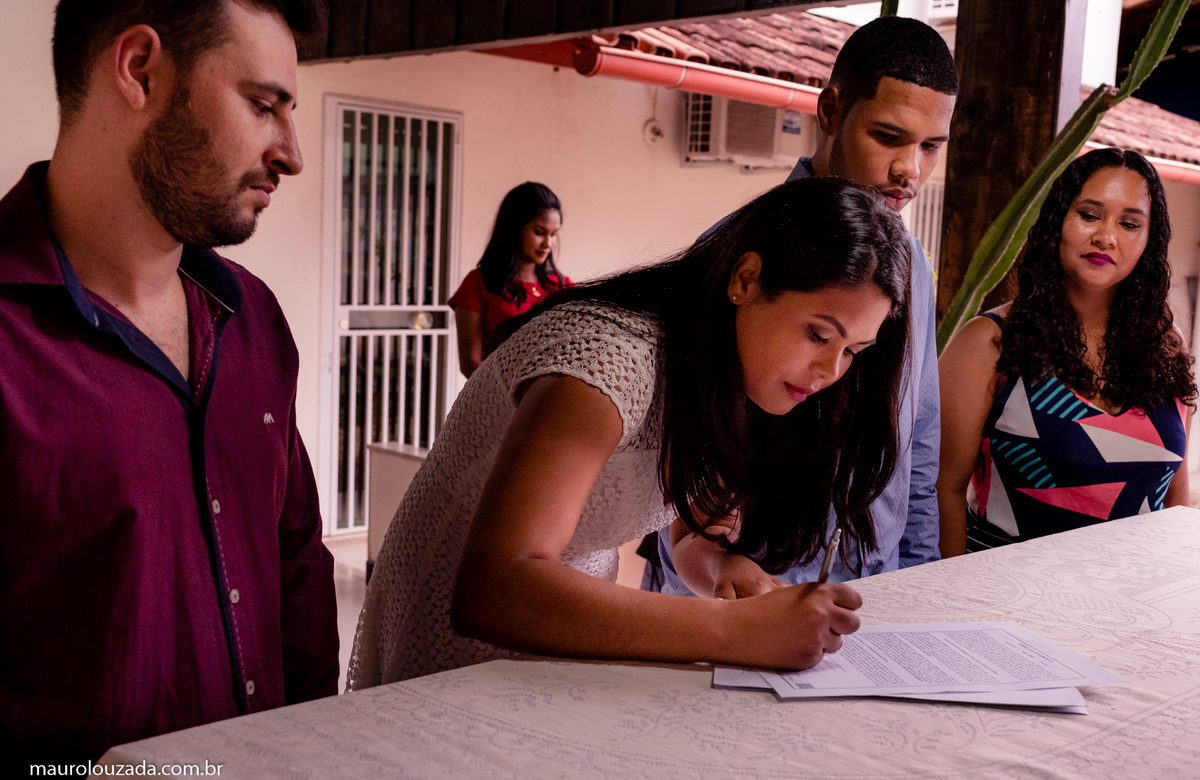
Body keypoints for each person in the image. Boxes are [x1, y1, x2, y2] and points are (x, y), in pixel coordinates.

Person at [349, 177, 912, 687]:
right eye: (818, 334)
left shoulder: (733, 371)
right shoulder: (605, 360)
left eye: (853, 352)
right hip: (455, 633)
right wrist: (731, 630)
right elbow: (493, 587)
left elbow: (693, 528)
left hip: (572, 623)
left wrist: (725, 570)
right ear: (746, 279)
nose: (830, 373)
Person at [0, 0, 336, 780]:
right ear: (140, 69)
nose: (290, 153)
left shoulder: (253, 318)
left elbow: (295, 564)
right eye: (263, 105)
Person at [647, 15, 958, 598]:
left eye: (931, 147)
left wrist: (918, 587)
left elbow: (916, 441)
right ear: (832, 111)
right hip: (733, 603)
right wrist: (711, 581)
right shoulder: (733, 255)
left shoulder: (912, 266)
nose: (909, 170)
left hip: (871, 598)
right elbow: (670, 462)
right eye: (888, 137)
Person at [937, 148, 1195, 556]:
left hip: (1127, 603)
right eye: (1089, 215)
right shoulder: (988, 342)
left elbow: (1175, 502)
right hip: (1000, 597)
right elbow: (941, 490)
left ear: (1149, 239)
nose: (1106, 237)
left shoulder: (1166, 348)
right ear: (1056, 220)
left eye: (1129, 224)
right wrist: (944, 600)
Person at [450, 182, 572, 378]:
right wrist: (513, 399)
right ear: (514, 228)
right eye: (539, 232)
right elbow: (470, 362)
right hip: (497, 399)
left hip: (550, 400)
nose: (548, 244)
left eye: (553, 234)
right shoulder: (478, 283)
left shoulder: (561, 285)